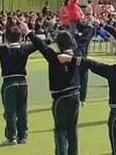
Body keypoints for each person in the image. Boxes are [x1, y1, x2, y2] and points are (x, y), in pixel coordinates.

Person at [21, 21, 94, 155]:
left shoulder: (54, 57)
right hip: (75, 94)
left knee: (60, 129)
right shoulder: (77, 53)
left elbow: (41, 45)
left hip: (61, 97)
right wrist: (88, 25)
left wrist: (28, 32)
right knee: (72, 128)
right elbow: (85, 38)